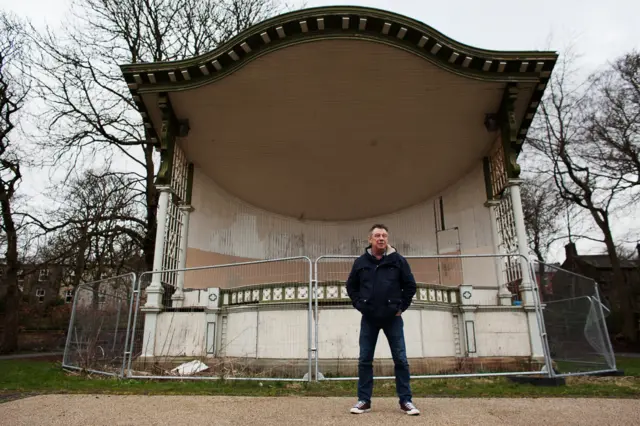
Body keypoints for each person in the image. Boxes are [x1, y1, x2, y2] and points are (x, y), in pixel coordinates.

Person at [346, 224, 420, 416]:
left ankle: (406, 401)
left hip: (392, 318)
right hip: (369, 317)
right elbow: (351, 286)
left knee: (401, 359)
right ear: (370, 239)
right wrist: (360, 304)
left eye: (384, 236)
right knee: (364, 360)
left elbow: (410, 286)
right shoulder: (361, 262)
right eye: (377, 235)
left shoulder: (398, 261)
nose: (381, 238)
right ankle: (364, 400)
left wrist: (400, 307)